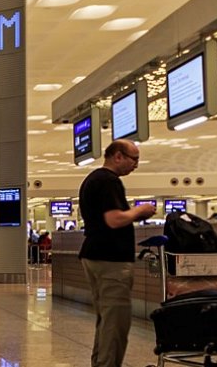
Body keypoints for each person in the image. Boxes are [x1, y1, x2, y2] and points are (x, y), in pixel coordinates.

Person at [79, 140, 157, 367]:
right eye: (134, 159)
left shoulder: (93, 179)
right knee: (116, 323)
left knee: (106, 320)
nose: (136, 165)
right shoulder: (108, 181)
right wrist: (139, 211)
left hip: (95, 255)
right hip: (110, 260)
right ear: (118, 156)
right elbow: (114, 219)